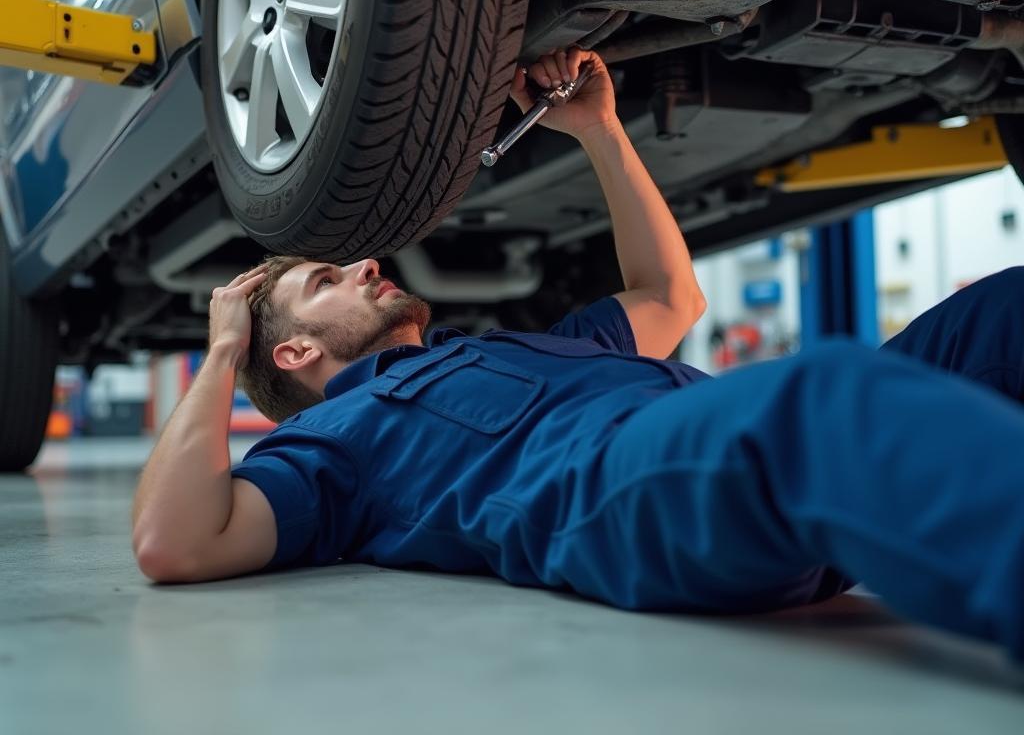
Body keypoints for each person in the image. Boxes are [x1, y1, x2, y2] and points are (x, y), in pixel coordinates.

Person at [132, 48, 1024, 662]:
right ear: (289, 350)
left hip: (733, 451)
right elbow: (174, 544)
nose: (367, 262)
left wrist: (601, 131)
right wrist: (222, 350)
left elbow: (673, 297)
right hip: (635, 491)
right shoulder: (336, 447)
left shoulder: (516, 350)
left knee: (1001, 312)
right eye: (326, 281)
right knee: (827, 399)